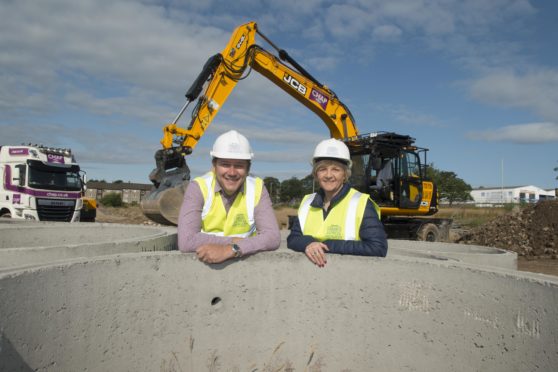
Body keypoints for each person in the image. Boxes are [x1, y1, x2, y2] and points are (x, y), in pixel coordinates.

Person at [178, 130, 281, 263]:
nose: (232, 172)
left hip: (247, 268)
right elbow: (186, 241)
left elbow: (272, 237)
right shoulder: (198, 187)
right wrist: (232, 241)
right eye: (225, 164)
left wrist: (231, 249)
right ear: (214, 166)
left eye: (239, 165)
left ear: (248, 169)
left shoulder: (257, 188)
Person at [287, 138, 388, 267]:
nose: (328, 175)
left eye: (335, 169)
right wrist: (308, 243)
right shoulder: (307, 202)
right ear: (316, 174)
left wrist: (326, 245)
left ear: (345, 174)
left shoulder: (361, 203)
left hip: (349, 278)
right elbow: (293, 238)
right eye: (322, 169)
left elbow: (377, 247)